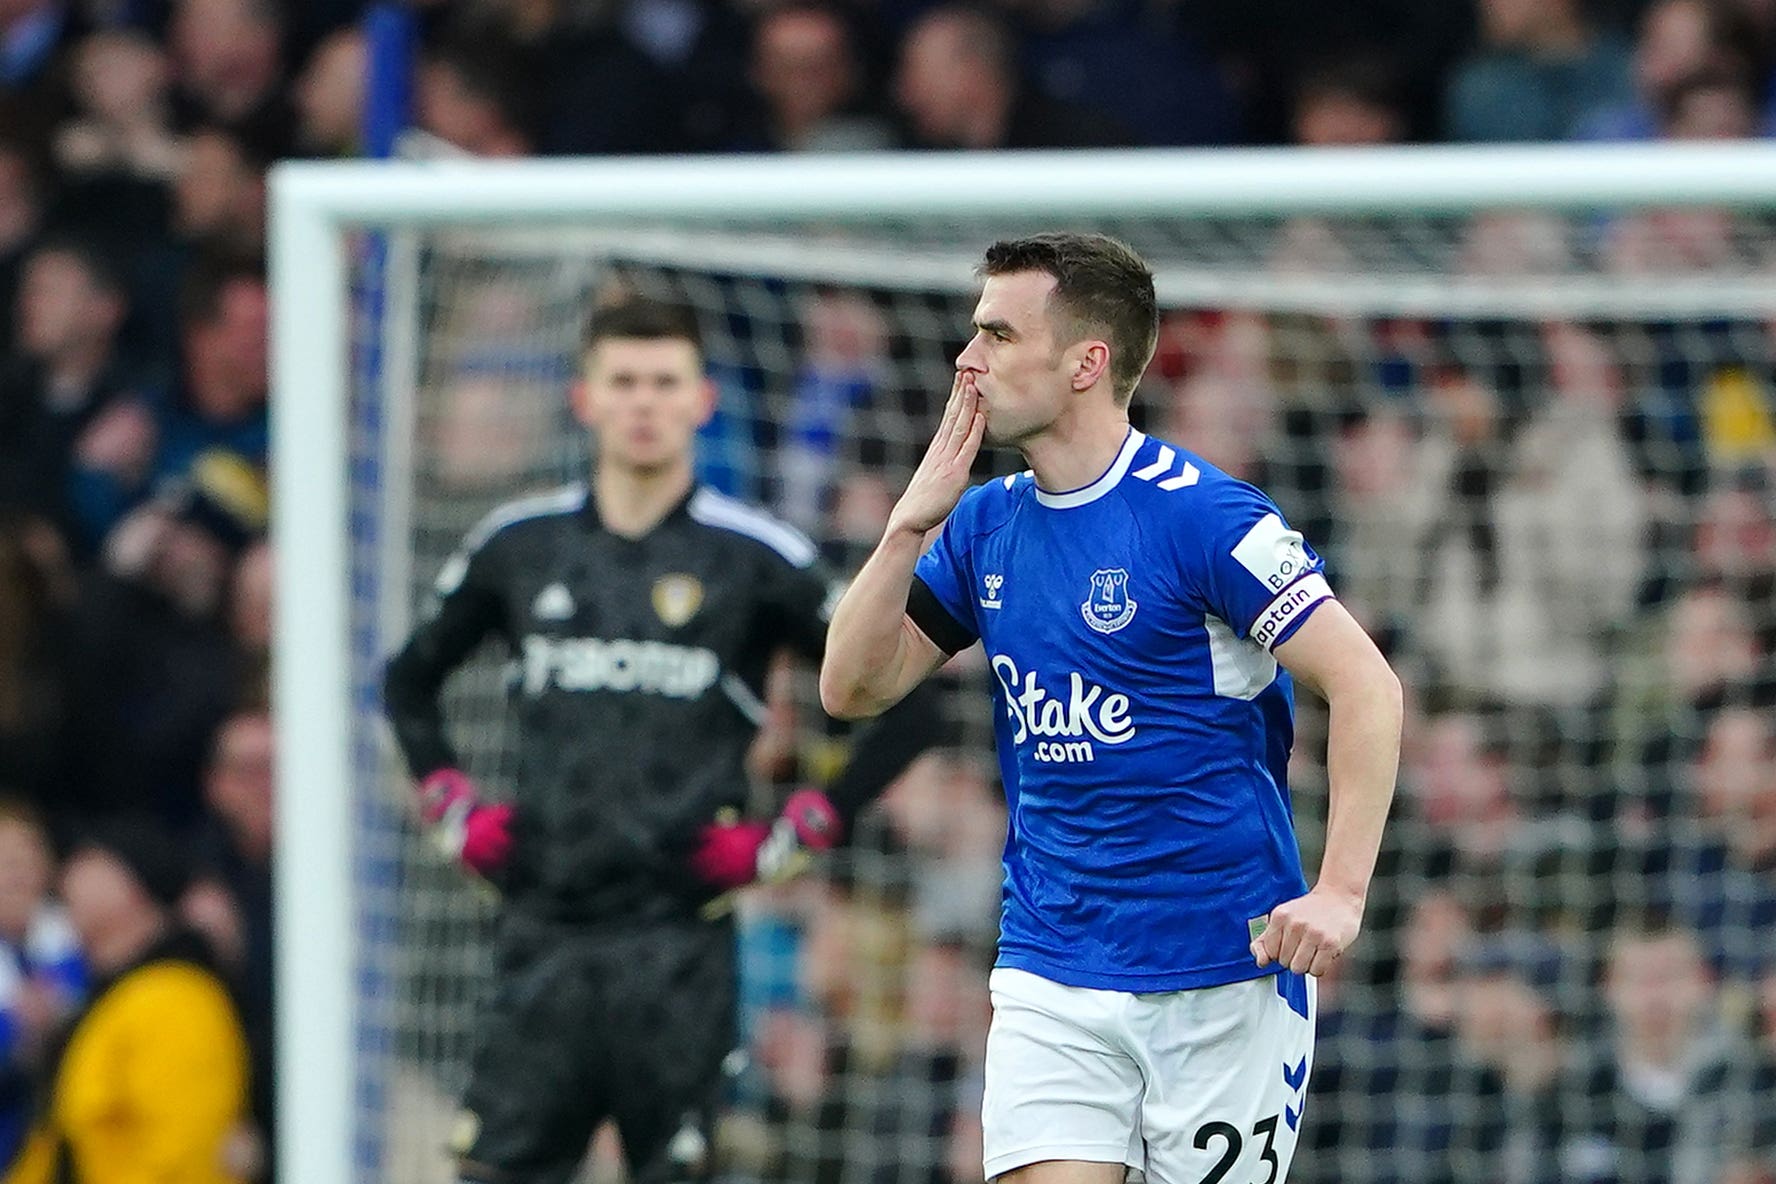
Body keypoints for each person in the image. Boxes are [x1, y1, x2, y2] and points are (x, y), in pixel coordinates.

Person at [820, 233, 1403, 1184]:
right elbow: (851, 688)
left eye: (999, 336)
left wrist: (1339, 892)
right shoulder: (982, 524)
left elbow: (1368, 684)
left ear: (1087, 362)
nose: (968, 362)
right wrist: (906, 527)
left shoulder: (1205, 518)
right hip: (1053, 964)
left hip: (1222, 969)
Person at [382, 294, 929, 1184]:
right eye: (624, 381)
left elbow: (912, 708)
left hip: (677, 949)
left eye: (664, 382)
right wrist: (452, 808)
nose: (644, 402)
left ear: (701, 402)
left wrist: (793, 837)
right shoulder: (519, 546)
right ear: (584, 399)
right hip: (539, 939)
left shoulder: (754, 558)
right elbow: (407, 682)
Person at [4, 816, 252, 1184]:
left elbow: (181, 1161)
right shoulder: (109, 999)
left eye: (86, 861)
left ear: (127, 883)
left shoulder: (176, 998)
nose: (65, 878)